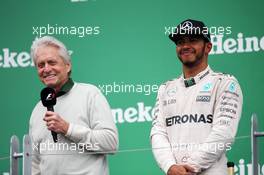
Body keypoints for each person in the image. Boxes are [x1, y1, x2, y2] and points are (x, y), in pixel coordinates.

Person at [150, 19, 243, 175]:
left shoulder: (225, 83)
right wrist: (170, 166)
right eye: (180, 42)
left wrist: (189, 168)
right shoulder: (165, 88)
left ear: (208, 47)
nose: (185, 46)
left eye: (193, 40)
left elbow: (223, 133)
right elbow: (158, 133)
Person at [29, 36, 118, 175]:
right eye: (41, 65)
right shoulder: (37, 110)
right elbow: (35, 164)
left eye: (52, 62)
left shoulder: (90, 94)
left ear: (67, 65)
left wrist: (67, 129)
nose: (46, 69)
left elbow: (111, 144)